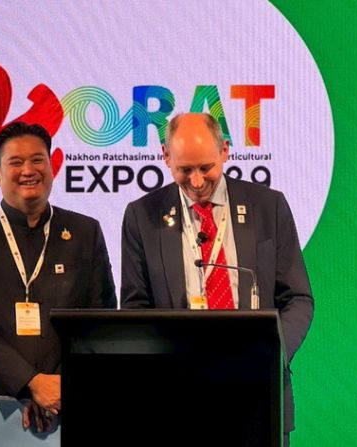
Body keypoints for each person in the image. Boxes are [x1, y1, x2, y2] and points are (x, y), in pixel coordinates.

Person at [121, 112, 314, 445]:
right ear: (165, 156)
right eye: (185, 170)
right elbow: (135, 308)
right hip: (178, 400)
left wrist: (271, 353)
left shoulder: (268, 207)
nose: (197, 182)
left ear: (225, 150)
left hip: (258, 392)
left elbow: (297, 298)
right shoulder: (142, 216)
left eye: (205, 168)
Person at [0, 121, 116, 446]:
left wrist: (57, 385)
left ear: (51, 167)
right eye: (16, 162)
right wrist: (30, 383)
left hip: (68, 399)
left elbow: (100, 319)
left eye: (38, 160)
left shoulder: (85, 231)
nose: (28, 170)